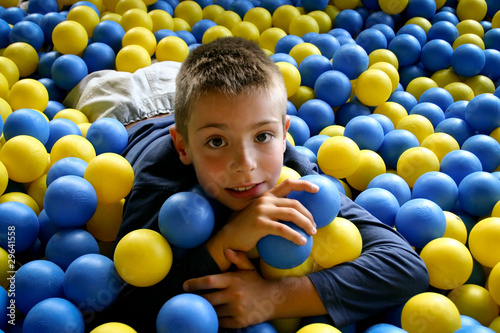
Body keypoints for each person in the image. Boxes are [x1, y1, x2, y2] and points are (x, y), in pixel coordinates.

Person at [87, 37, 429, 332]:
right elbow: (124, 306)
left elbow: (405, 265)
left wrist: (275, 300)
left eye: (263, 136)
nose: (246, 164)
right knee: (95, 79)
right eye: (217, 143)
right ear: (183, 148)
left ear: (284, 136)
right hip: (125, 110)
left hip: (185, 96)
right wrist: (224, 243)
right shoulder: (160, 180)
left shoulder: (294, 176)